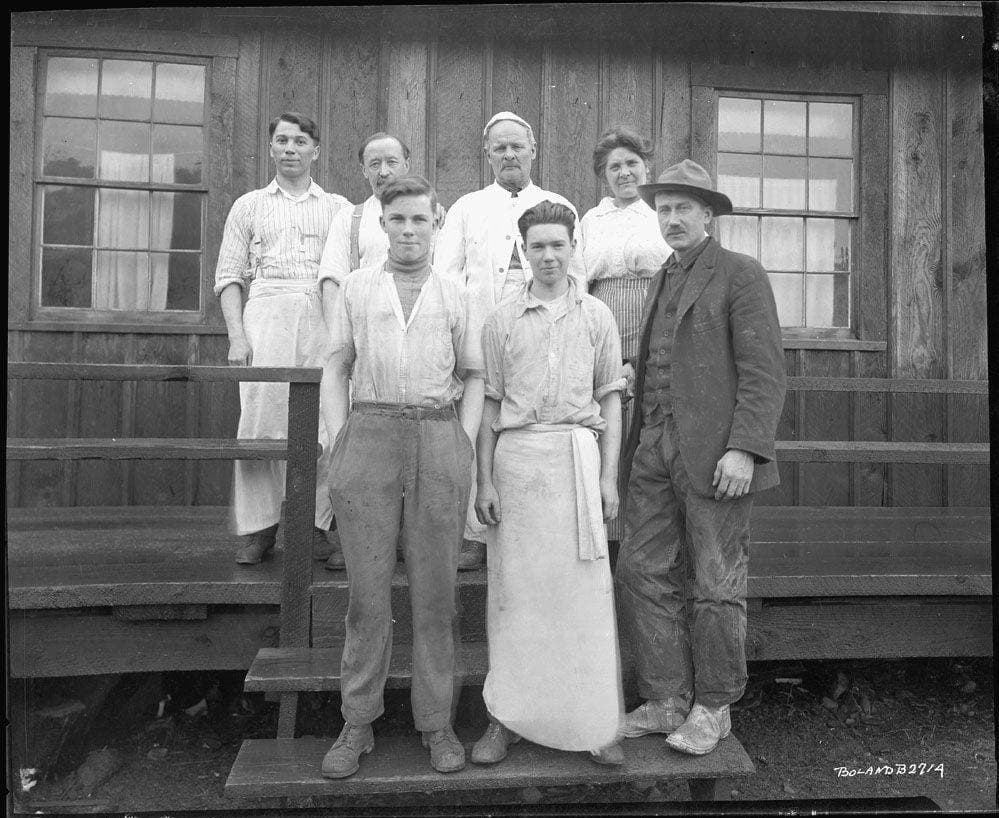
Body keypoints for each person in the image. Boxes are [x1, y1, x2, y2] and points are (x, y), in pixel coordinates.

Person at [616, 160, 786, 755]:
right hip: (653, 447)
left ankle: (714, 708)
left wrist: (744, 448)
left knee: (717, 581)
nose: (672, 219)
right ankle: (666, 699)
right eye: (663, 209)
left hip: (717, 453)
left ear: (707, 215)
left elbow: (765, 372)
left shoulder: (739, 273)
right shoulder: (664, 274)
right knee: (639, 568)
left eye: (683, 208)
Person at [320, 176, 471, 778]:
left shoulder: (458, 291)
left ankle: (437, 724)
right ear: (381, 224)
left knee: (436, 595)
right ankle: (357, 722)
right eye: (398, 220)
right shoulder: (356, 289)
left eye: (420, 220)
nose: (409, 231)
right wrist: (338, 439)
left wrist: (462, 438)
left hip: (437, 434)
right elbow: (337, 364)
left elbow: (477, 373)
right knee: (367, 594)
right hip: (371, 434)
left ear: (436, 224)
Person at [470, 200, 626, 768]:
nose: (548, 256)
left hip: (577, 462)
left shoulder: (596, 315)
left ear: (573, 245)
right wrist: (484, 480)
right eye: (537, 246)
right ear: (523, 250)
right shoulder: (501, 319)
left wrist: (608, 478)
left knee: (581, 599)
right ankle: (505, 720)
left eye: (558, 244)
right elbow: (489, 406)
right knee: (516, 599)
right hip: (518, 463)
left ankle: (593, 724)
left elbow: (610, 396)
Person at [435, 110, 585, 571]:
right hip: (483, 340)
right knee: (478, 424)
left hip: (543, 337)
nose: (509, 154)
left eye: (517, 146)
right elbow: (445, 276)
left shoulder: (558, 206)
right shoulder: (467, 208)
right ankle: (473, 535)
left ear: (533, 151)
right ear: (487, 155)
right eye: (499, 147)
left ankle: (537, 529)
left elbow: (577, 278)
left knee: (534, 427)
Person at [214, 111, 351, 565]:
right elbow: (229, 276)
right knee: (259, 423)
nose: (290, 149)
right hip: (266, 312)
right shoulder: (249, 205)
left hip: (322, 313)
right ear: (271, 148)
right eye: (281, 140)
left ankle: (317, 525)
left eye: (299, 141)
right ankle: (259, 529)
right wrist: (237, 336)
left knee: (327, 423)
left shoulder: (338, 207)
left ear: (316, 150)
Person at [316, 131, 412, 571]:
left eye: (391, 161)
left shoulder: (426, 212)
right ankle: (354, 535)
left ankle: (406, 538)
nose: (383, 171)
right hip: (364, 337)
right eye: (374, 164)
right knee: (360, 439)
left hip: (413, 334)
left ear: (406, 162)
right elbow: (333, 278)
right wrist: (344, 340)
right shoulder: (350, 218)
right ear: (363, 170)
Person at [579, 125, 672, 542]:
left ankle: (645, 538)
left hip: (654, 319)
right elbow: (579, 280)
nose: (625, 173)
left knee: (645, 425)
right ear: (604, 174)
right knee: (607, 417)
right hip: (602, 321)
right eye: (614, 166)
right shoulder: (591, 219)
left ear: (646, 167)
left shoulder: (660, 214)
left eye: (632, 163)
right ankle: (608, 537)